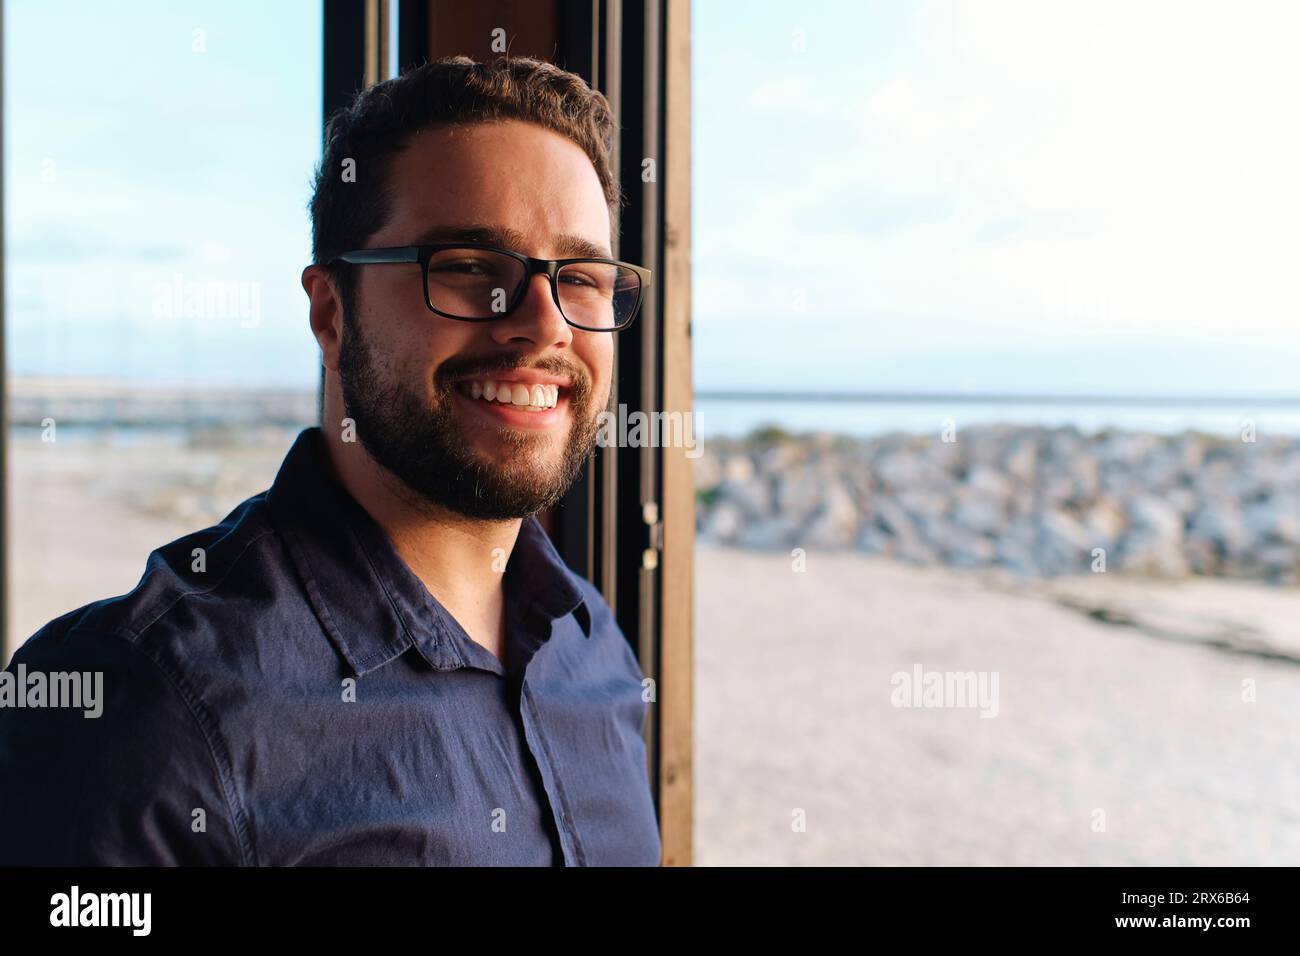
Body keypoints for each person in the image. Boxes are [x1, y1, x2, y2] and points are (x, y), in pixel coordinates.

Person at [0, 55, 661, 866]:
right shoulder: (138, 705)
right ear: (331, 314)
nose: (543, 325)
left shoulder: (591, 648)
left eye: (583, 277)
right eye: (466, 269)